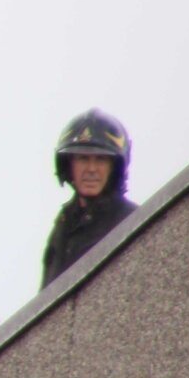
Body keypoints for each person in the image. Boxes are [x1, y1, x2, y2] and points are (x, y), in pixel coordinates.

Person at [41, 108, 137, 289]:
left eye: (101, 159)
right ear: (69, 165)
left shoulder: (132, 221)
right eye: (83, 158)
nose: (91, 169)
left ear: (114, 168)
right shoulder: (63, 225)